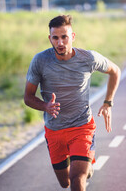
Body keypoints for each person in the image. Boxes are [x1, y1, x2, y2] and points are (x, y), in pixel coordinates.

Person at [24, 15, 121, 191]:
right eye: (55, 38)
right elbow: (28, 97)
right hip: (54, 130)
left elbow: (115, 71)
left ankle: (84, 165)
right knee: (65, 183)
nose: (60, 42)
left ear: (73, 36)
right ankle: (85, 164)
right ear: (50, 38)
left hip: (82, 126)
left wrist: (108, 103)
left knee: (77, 179)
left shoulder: (88, 58)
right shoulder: (40, 61)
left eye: (64, 37)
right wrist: (45, 106)